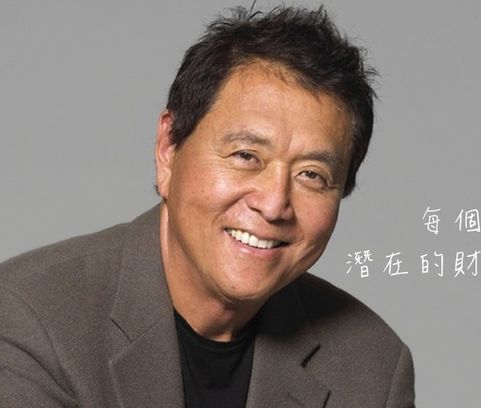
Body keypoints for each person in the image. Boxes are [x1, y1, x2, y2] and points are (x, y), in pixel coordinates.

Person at [0, 5, 415, 408]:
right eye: (246, 156)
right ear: (168, 148)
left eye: (312, 175)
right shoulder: (29, 316)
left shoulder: (372, 367)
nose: (274, 205)